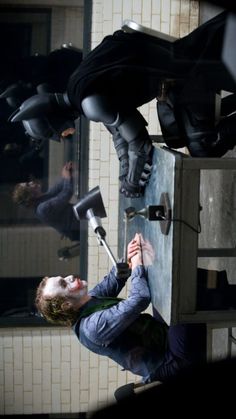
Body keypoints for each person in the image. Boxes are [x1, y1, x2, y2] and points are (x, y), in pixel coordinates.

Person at [9, 11, 236, 198]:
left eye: (56, 131)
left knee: (203, 146)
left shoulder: (90, 104)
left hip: (183, 75)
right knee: (175, 136)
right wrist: (125, 171)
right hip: (171, 74)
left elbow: (141, 144)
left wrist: (131, 184)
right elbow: (117, 131)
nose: (65, 134)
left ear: (55, 118)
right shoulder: (78, 88)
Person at [35, 233, 206, 385]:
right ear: (66, 305)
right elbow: (139, 299)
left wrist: (128, 256)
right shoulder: (93, 327)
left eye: (63, 277)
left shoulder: (87, 302)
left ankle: (221, 290)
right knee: (182, 292)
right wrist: (138, 263)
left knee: (167, 280)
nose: (70, 277)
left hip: (162, 334)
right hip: (171, 359)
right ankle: (224, 300)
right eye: (64, 284)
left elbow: (114, 279)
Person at [12, 161, 80, 242]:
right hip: (78, 228)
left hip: (79, 218)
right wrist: (68, 178)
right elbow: (66, 194)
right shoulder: (42, 209)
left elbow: (59, 187)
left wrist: (68, 171)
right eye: (28, 185)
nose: (31, 182)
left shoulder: (42, 199)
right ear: (30, 196)